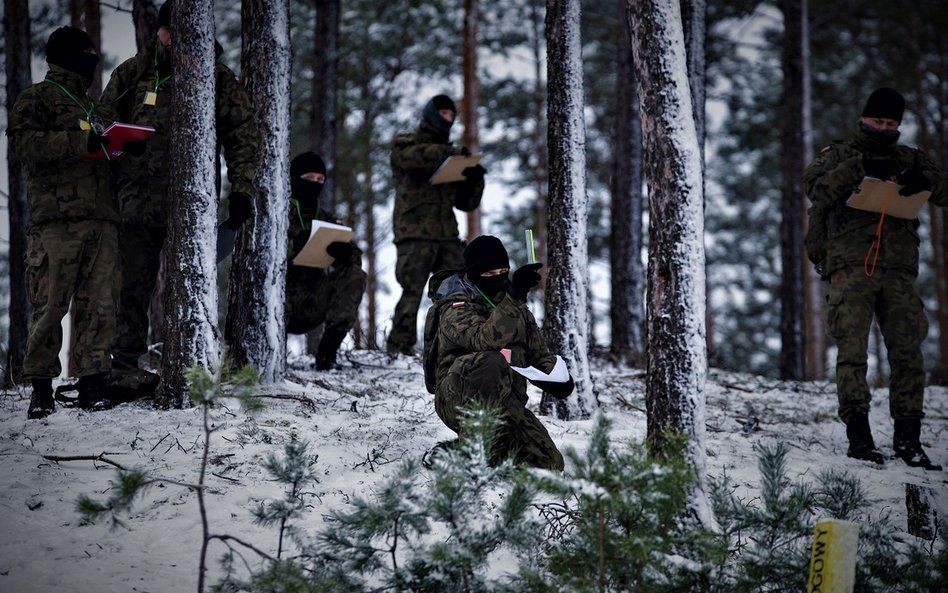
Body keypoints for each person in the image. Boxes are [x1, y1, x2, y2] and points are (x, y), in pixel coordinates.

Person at [100, 0, 257, 394]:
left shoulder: (217, 76)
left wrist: (242, 189)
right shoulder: (133, 72)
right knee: (130, 286)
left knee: (190, 285)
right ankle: (123, 370)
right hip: (134, 203)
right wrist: (119, 144)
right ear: (160, 31)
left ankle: (190, 365)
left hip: (192, 206)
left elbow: (243, 137)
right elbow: (101, 120)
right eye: (167, 31)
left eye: (179, 32)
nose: (170, 39)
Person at [803, 87, 947, 471]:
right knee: (852, 353)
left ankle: (908, 439)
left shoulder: (909, 158)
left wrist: (922, 180)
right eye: (878, 121)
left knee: (908, 353)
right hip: (851, 267)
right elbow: (815, 190)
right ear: (863, 118)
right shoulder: (839, 155)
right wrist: (859, 168)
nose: (884, 128)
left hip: (898, 271)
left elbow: (944, 190)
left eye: (891, 123)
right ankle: (859, 436)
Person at [8, 27, 134, 417]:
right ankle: (41, 391)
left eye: (96, 53)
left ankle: (93, 384)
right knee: (49, 306)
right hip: (56, 222)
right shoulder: (37, 98)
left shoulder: (96, 108)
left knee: (101, 306)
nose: (94, 59)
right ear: (64, 57)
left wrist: (125, 146)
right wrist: (80, 143)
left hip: (104, 220)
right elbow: (22, 143)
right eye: (87, 53)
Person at [427, 235, 572, 470]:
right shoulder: (455, 305)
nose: (498, 278)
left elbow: (537, 352)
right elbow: (485, 340)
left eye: (503, 271)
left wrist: (558, 378)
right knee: (491, 360)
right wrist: (514, 297)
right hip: (458, 400)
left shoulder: (513, 305)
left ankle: (460, 451)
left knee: (548, 464)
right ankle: (471, 452)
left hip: (508, 403)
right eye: (490, 274)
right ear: (474, 272)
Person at [386, 95, 486, 355]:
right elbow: (412, 159)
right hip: (414, 233)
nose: (448, 119)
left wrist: (474, 178)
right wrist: (452, 154)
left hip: (446, 235)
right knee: (412, 291)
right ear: (431, 114)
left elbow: (466, 203)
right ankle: (398, 349)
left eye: (451, 115)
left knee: (456, 291)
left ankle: (451, 345)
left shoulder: (449, 156)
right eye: (443, 113)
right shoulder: (407, 143)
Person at [285, 152, 367, 370]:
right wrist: (294, 246)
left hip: (312, 301)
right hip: (279, 301)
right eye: (309, 178)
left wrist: (345, 254)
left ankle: (326, 357)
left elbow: (355, 260)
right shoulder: (277, 213)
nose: (314, 184)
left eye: (320, 180)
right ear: (294, 178)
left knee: (356, 275)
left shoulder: (327, 219)